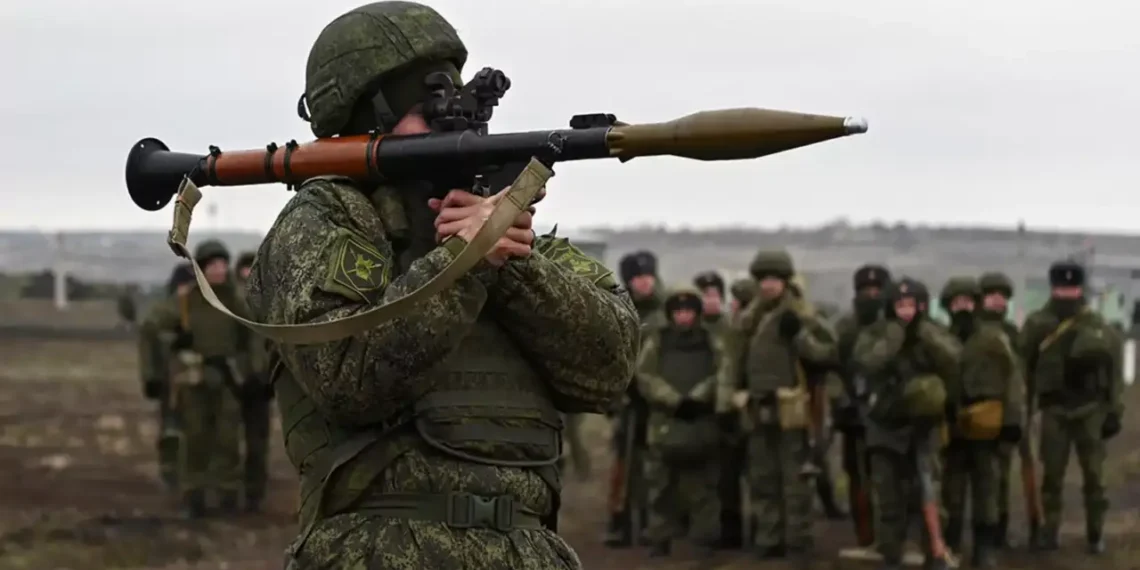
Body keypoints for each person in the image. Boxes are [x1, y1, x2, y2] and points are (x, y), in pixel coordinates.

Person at [245, 3, 641, 567]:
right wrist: (466, 261)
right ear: (367, 118)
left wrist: (513, 262)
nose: (458, 125)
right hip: (378, 552)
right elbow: (348, 375)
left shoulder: (518, 236)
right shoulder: (330, 218)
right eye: (427, 108)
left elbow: (609, 367)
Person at [852, 277, 960, 570]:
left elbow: (954, 360)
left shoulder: (933, 332)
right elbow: (866, 363)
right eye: (899, 305)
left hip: (924, 426)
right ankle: (891, 554)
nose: (906, 311)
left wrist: (926, 334)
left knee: (929, 491)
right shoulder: (875, 333)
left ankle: (934, 552)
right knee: (887, 497)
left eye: (911, 305)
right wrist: (893, 337)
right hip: (884, 425)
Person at [141, 241, 255, 517]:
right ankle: (194, 498)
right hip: (193, 381)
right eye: (212, 265)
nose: (219, 270)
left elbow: (252, 337)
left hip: (227, 381)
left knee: (228, 440)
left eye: (222, 264)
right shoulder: (187, 301)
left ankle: (228, 495)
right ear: (201, 268)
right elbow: (151, 327)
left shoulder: (236, 300)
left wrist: (253, 373)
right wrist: (164, 359)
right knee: (195, 440)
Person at [736, 249, 838, 561]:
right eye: (763, 279)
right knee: (763, 478)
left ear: (784, 281)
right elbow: (735, 356)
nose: (767, 285)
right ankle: (769, 538)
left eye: (773, 279)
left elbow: (827, 353)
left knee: (795, 481)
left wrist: (799, 337)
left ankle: (798, 542)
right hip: (757, 404)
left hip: (793, 408)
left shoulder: (801, 313)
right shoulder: (750, 318)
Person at [1020, 261, 1123, 554]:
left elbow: (1113, 370)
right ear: (1053, 288)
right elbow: (1024, 368)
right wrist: (1024, 411)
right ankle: (1050, 532)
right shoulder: (1038, 323)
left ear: (1080, 288)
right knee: (1052, 476)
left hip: (1090, 409)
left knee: (1094, 477)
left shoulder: (1096, 324)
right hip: (1054, 411)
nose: (1067, 293)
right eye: (1062, 288)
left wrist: (1114, 411)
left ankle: (1095, 534)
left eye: (1072, 287)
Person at [637, 287, 734, 557]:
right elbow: (645, 375)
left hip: (701, 423)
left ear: (697, 314)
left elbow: (722, 373)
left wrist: (698, 398)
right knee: (660, 486)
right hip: (664, 424)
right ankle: (659, 538)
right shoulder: (658, 341)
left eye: (689, 311)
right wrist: (674, 400)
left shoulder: (711, 341)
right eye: (678, 311)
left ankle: (704, 540)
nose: (683, 316)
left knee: (703, 487)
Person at [938, 277, 1021, 567]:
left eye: (967, 301)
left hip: (987, 425)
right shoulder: (939, 339)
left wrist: (1012, 422)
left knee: (987, 490)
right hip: (952, 427)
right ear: (947, 306)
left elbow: (1013, 380)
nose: (962, 307)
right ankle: (952, 545)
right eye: (956, 302)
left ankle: (985, 548)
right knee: (952, 493)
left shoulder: (992, 340)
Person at [605, 250, 666, 547]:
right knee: (623, 465)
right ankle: (622, 521)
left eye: (648, 276)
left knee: (653, 466)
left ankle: (651, 523)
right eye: (638, 278)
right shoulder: (620, 311)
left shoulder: (666, 314)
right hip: (628, 402)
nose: (644, 283)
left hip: (657, 402)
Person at [833, 264, 891, 548]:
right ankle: (865, 536)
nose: (871, 295)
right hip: (854, 415)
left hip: (890, 414)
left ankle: (892, 536)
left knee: (890, 478)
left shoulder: (894, 326)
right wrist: (842, 400)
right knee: (857, 477)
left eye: (877, 289)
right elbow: (832, 366)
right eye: (866, 290)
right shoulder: (845, 327)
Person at [138, 262, 194, 491]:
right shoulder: (160, 313)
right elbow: (148, 346)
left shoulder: (200, 310)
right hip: (168, 381)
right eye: (185, 285)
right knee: (171, 429)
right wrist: (151, 378)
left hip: (194, 380)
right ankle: (171, 473)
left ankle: (191, 473)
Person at [976, 271, 1020, 547]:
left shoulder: (1013, 334)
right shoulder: (972, 330)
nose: (996, 301)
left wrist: (1016, 419)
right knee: (980, 477)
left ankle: (998, 531)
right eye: (991, 296)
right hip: (976, 414)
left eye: (1001, 297)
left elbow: (1019, 379)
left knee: (1002, 477)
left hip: (1006, 414)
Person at [234, 251, 272, 512]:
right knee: (225, 441)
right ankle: (226, 491)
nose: (248, 273)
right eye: (244, 269)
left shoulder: (270, 300)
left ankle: (253, 493)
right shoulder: (229, 301)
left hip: (262, 383)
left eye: (252, 268)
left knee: (257, 442)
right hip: (234, 381)